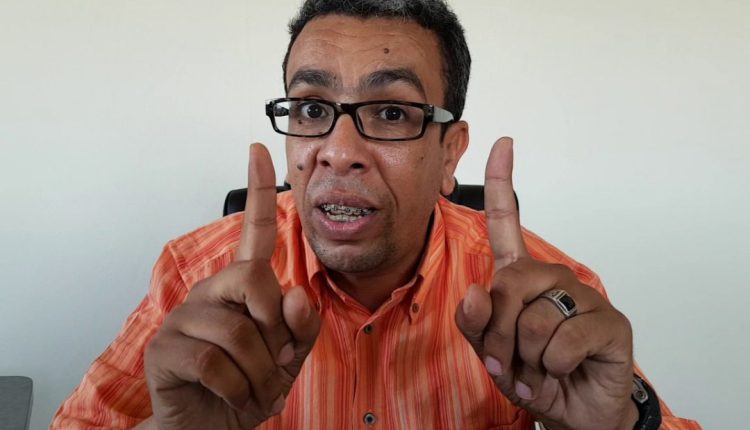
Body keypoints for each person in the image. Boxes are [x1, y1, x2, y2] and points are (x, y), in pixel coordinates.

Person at [51, 1, 701, 429]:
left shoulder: (547, 295)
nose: (338, 152)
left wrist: (622, 426)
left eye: (391, 112)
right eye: (312, 108)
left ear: (450, 153)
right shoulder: (194, 272)